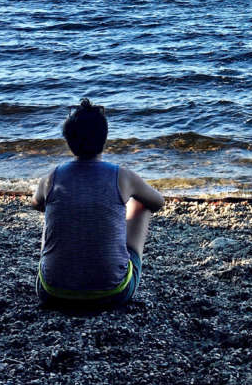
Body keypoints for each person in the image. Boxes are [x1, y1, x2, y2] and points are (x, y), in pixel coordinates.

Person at [32, 98, 164, 308]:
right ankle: (117, 259)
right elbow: (158, 202)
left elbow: (37, 203)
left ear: (68, 140)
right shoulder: (122, 175)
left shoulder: (51, 178)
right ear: (105, 138)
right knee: (142, 205)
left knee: (54, 208)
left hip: (52, 292)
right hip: (113, 293)